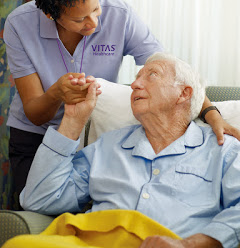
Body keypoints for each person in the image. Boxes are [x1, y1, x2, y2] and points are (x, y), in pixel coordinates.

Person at [3, 0, 240, 199]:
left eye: (96, 9)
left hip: (92, 134)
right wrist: (56, 93)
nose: (93, 23)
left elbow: (172, 70)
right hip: (37, 137)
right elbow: (34, 113)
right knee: (32, 206)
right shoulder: (20, 24)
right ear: (51, 15)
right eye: (80, 19)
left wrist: (211, 112)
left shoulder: (121, 15)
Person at [12, 52, 240, 248]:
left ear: (183, 93)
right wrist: (72, 120)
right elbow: (39, 199)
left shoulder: (222, 149)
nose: (134, 84)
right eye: (136, 77)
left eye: (152, 75)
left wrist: (190, 244)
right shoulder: (106, 146)